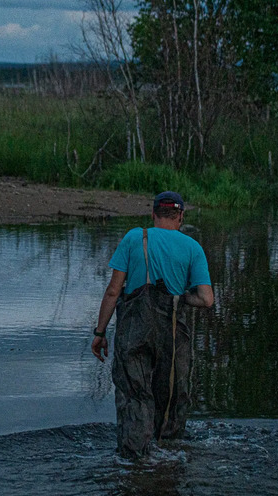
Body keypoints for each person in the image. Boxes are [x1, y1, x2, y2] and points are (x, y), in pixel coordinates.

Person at [91, 191, 214, 458]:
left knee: (135, 395)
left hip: (133, 334)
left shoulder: (135, 237)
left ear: (153, 214)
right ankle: (167, 460)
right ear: (181, 216)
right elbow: (206, 299)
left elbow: (113, 291)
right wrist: (180, 298)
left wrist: (99, 333)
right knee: (171, 398)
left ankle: (135, 461)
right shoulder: (193, 248)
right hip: (172, 335)